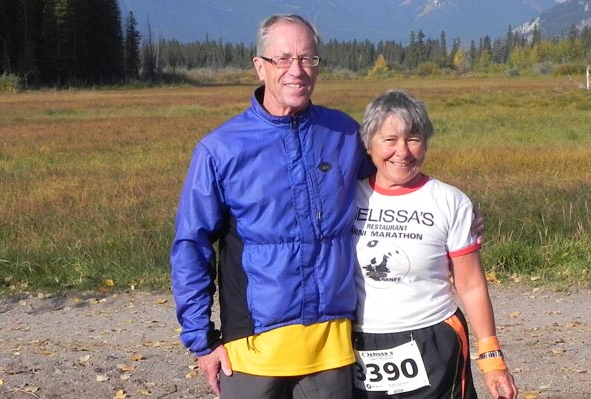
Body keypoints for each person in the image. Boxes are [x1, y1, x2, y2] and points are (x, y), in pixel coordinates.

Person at [170, 14, 372, 399]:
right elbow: (190, 246)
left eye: (307, 59)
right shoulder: (221, 150)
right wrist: (201, 340)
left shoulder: (344, 134)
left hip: (331, 350)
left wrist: (452, 215)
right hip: (252, 354)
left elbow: (390, 187)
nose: (297, 70)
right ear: (260, 66)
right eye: (283, 59)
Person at [350, 89, 517, 399]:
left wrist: (492, 359)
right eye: (390, 140)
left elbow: (471, 285)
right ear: (367, 143)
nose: (402, 151)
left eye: (413, 139)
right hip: (356, 343)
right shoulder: (344, 197)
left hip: (433, 340)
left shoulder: (449, 202)